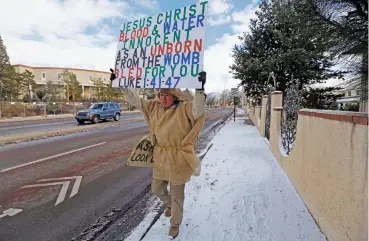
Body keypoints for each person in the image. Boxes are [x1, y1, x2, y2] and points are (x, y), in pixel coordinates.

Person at [110, 70, 207, 239]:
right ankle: (168, 204)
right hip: (161, 155)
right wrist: (122, 84)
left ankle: (175, 224)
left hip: (178, 156)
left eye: (167, 95)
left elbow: (198, 109)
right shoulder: (153, 107)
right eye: (161, 94)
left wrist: (199, 89)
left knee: (177, 195)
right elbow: (135, 100)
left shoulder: (184, 109)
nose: (163, 98)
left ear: (175, 96)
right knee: (156, 189)